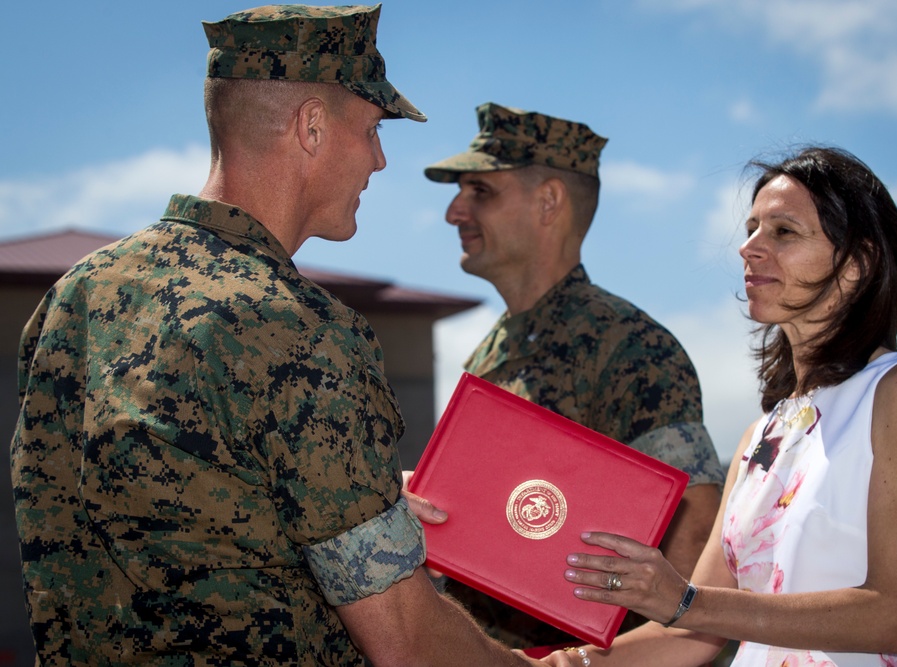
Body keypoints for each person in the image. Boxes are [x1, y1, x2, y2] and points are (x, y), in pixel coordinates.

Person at [10, 6, 542, 666]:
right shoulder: (297, 325)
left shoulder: (80, 294)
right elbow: (402, 634)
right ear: (311, 127)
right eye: (374, 130)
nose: (379, 160)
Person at [540, 146, 897, 667]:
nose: (749, 247)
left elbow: (894, 617)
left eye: (783, 231)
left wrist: (685, 601)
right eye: (752, 227)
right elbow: (688, 634)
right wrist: (549, 664)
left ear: (858, 264)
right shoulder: (759, 436)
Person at [421, 102, 726, 648]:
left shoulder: (631, 346)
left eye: (480, 192)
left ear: (549, 202)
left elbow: (692, 550)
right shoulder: (489, 353)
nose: (454, 212)